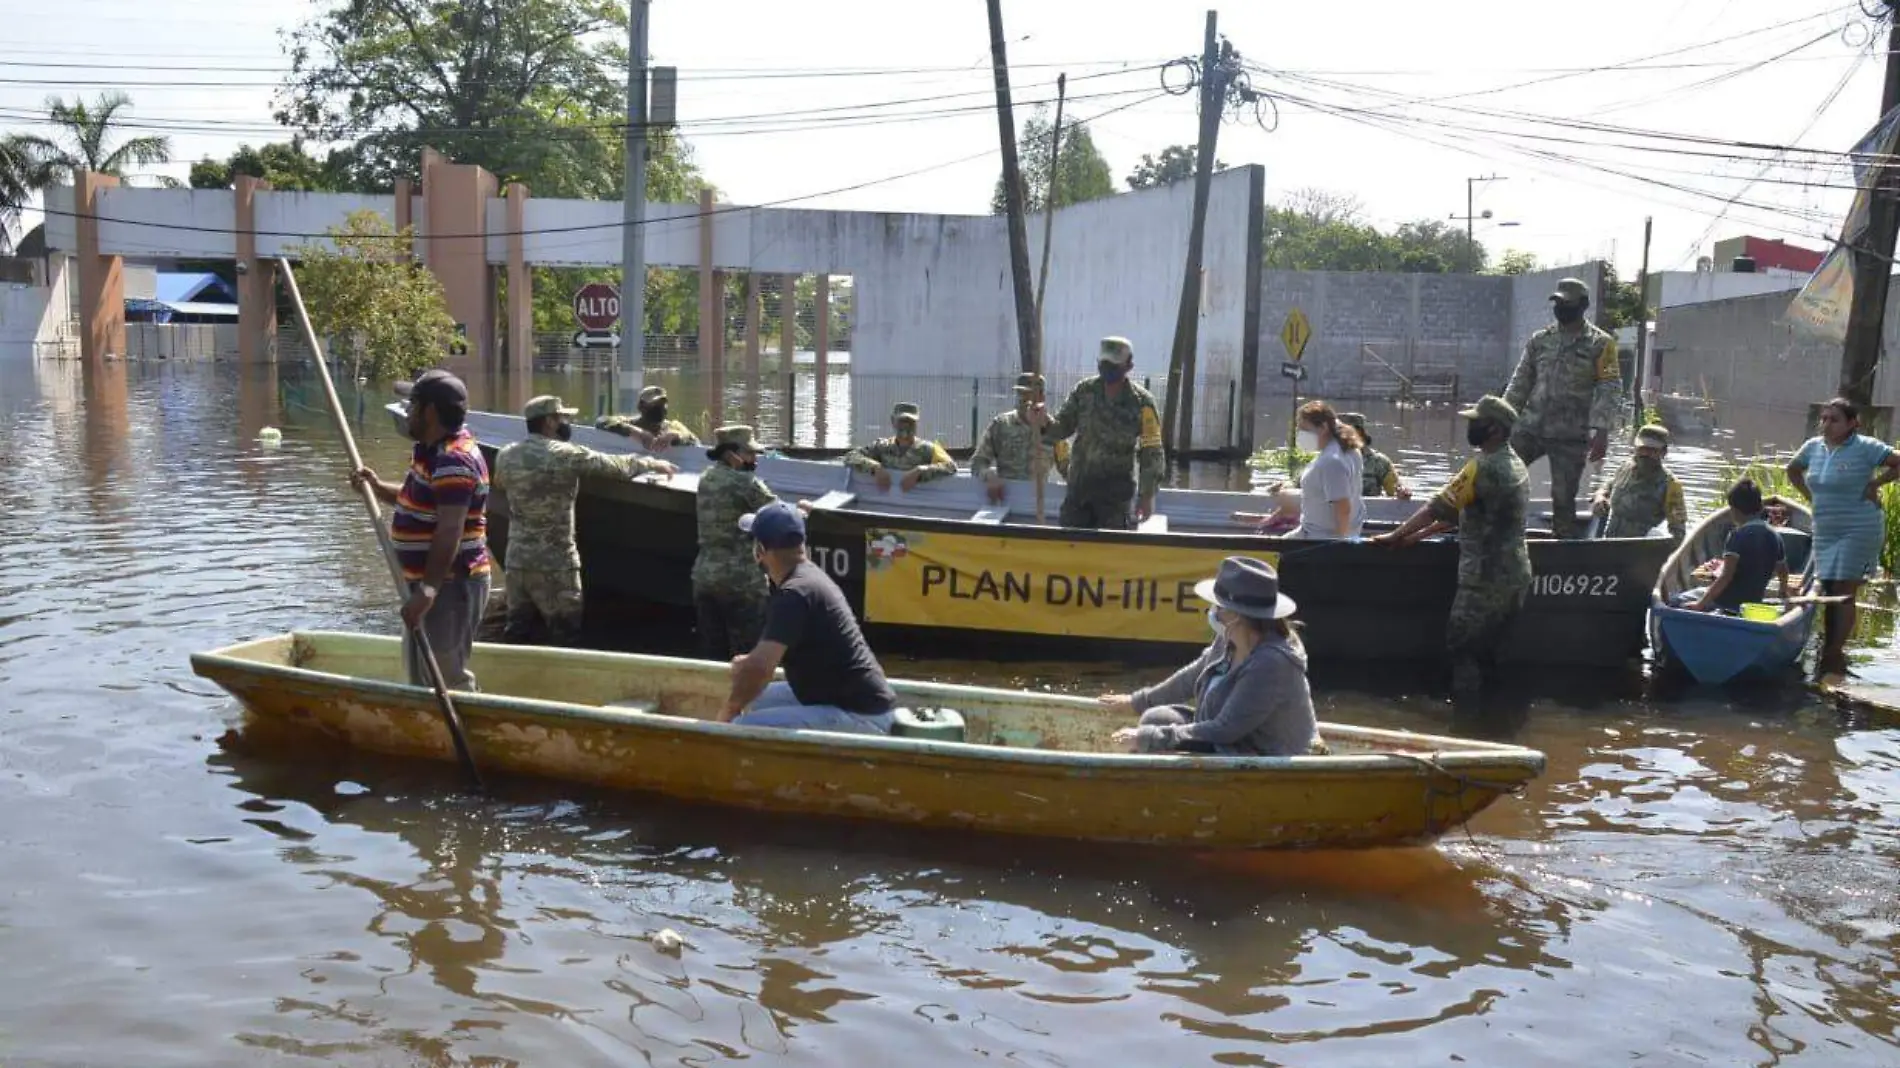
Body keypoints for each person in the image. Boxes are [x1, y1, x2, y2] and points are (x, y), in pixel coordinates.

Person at [1372, 395, 1532, 711]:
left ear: (1496, 430)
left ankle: (1467, 720)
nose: (1470, 427)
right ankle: (1498, 719)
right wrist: (1415, 537)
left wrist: (1396, 535)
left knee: (1463, 649)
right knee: (1494, 655)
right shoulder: (1517, 465)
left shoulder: (1481, 466)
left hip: (1482, 580)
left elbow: (1436, 508)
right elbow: (1462, 515)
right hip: (1516, 576)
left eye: (1476, 423)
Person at [492, 395, 676, 646]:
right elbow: (615, 465)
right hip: (556, 565)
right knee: (565, 636)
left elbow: (500, 484)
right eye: (563, 418)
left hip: (517, 562)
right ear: (549, 422)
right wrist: (652, 463)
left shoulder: (506, 454)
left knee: (516, 632)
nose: (567, 423)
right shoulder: (565, 454)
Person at [350, 368, 492, 691]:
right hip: (429, 586)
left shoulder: (455, 460)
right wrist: (373, 487)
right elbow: (414, 501)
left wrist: (428, 593)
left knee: (445, 678)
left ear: (429, 411)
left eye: (412, 405)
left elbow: (448, 532)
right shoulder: (431, 452)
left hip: (450, 587)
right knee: (421, 677)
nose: (407, 412)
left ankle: (462, 735)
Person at [1099, 556, 1322, 756]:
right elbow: (1190, 678)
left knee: (1152, 736)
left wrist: (1150, 737)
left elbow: (1226, 729)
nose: (1212, 610)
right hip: (1235, 741)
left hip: (1263, 752)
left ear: (1237, 615)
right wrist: (1138, 702)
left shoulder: (1271, 663)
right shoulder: (1230, 638)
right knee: (1156, 717)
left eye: (1218, 606)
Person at [721, 502, 898, 733]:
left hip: (861, 715)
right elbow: (760, 663)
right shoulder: (806, 579)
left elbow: (761, 669)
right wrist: (750, 664)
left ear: (760, 550)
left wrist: (726, 714)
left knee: (739, 728)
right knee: (754, 697)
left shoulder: (794, 593)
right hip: (850, 702)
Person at [1786, 396, 1900, 678]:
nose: (1826, 424)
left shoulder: (1866, 448)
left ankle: (1834, 652)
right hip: (1826, 526)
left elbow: (1898, 463)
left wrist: (1876, 483)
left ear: (1852, 423)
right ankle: (1829, 646)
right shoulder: (1814, 447)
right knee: (1828, 586)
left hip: (1859, 525)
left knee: (1844, 590)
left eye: (1834, 419)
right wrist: (1809, 497)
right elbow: (1792, 469)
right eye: (1823, 418)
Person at [1502, 277, 1623, 539]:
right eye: (1557, 303)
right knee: (1502, 477)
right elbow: (1520, 382)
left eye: (1567, 304)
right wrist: (1501, 419)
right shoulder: (1540, 340)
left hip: (1570, 434)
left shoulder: (1601, 344)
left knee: (1563, 497)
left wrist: (1601, 432)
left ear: (1583, 305)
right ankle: (1500, 532)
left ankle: (1562, 546)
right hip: (1529, 427)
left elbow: (1609, 387)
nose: (1561, 308)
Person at [1030, 335, 1166, 529]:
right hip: (1079, 493)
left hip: (1115, 499)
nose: (1108, 369)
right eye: (1104, 363)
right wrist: (1042, 421)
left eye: (1114, 365)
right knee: (1071, 547)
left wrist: (1147, 495)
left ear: (1128, 366)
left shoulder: (1142, 403)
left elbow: (1152, 451)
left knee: (1110, 552)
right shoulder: (1084, 391)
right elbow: (1062, 427)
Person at [695, 425, 777, 660]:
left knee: (712, 655)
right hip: (742, 583)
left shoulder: (705, 478)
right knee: (748, 656)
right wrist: (803, 509)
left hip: (705, 578)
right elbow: (779, 514)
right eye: (750, 454)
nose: (755, 460)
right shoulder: (745, 482)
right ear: (732, 455)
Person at [1674, 478, 1791, 614]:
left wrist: (1700, 604)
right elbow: (1783, 571)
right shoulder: (1775, 536)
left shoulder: (1737, 536)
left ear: (1735, 510)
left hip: (1724, 603)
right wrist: (1783, 591)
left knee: (1675, 601)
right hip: (1752, 604)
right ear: (1760, 507)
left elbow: (1726, 576)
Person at [970, 372, 1058, 505]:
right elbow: (978, 462)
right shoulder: (1001, 424)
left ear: (1042, 398)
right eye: (1020, 393)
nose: (1023, 399)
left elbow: (1068, 467)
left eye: (1029, 394)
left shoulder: (1053, 429)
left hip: (1036, 503)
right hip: (1004, 499)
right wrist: (989, 476)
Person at [1284, 400, 1366, 540]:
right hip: (1316, 531)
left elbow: (1343, 507)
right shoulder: (1349, 450)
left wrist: (1342, 544)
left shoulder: (1331, 461)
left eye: (1304, 429)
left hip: (1319, 538)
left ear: (1323, 427)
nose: (1300, 434)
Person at [1592, 424, 1688, 543]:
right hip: (1608, 542)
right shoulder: (1625, 468)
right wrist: (1600, 496)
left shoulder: (1671, 485)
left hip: (1639, 549)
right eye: (1642, 448)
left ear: (1663, 452)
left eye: (1652, 450)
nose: (1645, 454)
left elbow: (1678, 531)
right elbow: (1608, 485)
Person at [844, 402, 958, 492]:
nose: (906, 426)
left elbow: (951, 466)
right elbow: (850, 457)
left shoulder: (929, 449)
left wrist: (920, 471)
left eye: (910, 422)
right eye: (902, 421)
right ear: (893, 421)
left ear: (917, 424)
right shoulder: (881, 446)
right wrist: (875, 468)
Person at [597, 385, 700, 450]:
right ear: (641, 407)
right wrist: (638, 433)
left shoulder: (673, 426)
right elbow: (601, 421)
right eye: (654, 404)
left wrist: (675, 436)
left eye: (662, 404)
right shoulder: (630, 422)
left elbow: (695, 441)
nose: (660, 408)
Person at [1339, 411, 1411, 499]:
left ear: (1362, 433)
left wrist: (1402, 492)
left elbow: (1395, 490)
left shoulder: (1379, 462)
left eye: (1351, 432)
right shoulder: (1327, 460)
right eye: (1340, 433)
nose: (1345, 437)